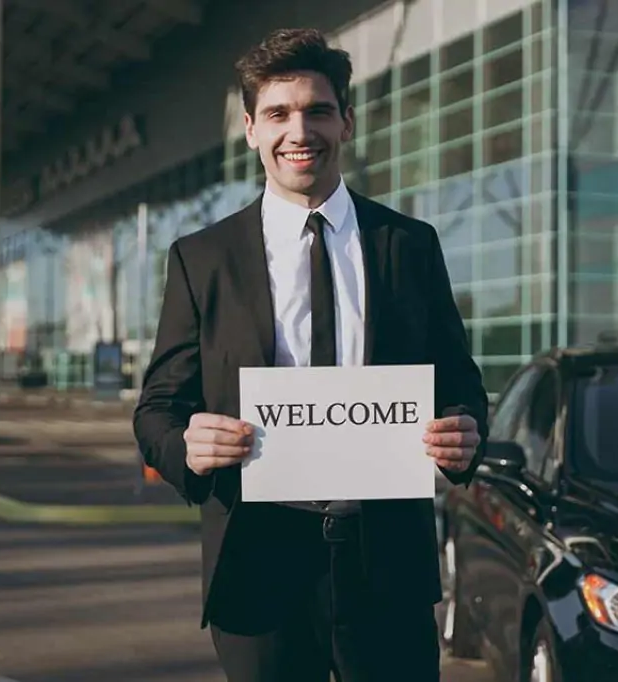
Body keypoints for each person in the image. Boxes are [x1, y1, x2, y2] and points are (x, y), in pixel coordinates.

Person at [132, 26, 488, 682]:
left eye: (317, 111)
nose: (300, 132)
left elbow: (461, 382)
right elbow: (157, 409)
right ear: (249, 129)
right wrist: (186, 443)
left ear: (346, 123)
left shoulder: (409, 246)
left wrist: (465, 431)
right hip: (261, 562)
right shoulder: (202, 259)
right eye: (278, 114)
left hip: (386, 564)